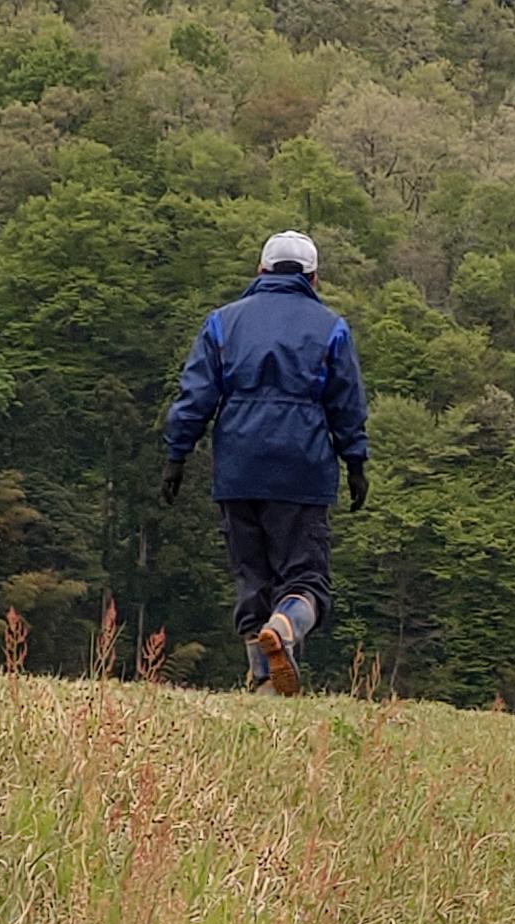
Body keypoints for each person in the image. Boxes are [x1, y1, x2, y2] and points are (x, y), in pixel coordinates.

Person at [161, 230, 368, 696]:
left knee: (251, 575)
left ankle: (264, 684)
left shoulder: (222, 323)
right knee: (306, 578)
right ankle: (286, 627)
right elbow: (346, 403)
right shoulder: (331, 326)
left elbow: (195, 397)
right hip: (302, 467)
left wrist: (177, 454)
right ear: (314, 278)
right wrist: (355, 461)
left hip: (238, 467)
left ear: (261, 271)